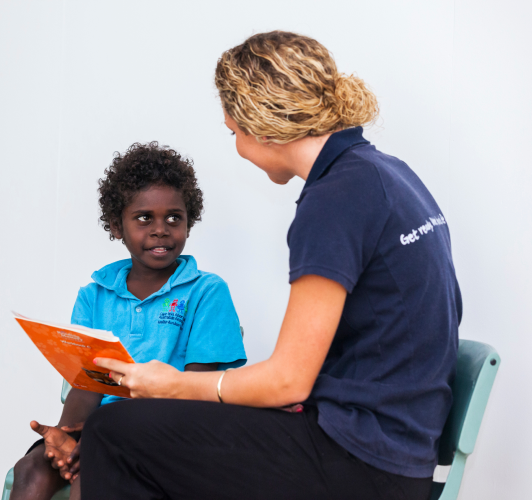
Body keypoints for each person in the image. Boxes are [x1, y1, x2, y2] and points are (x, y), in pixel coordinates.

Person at [84, 31, 462, 500]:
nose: (238, 146)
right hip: (394, 449)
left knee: (111, 431)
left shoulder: (335, 200)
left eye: (233, 132)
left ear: (261, 125)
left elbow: (288, 380)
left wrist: (176, 383)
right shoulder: (386, 172)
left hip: (362, 466)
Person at [10, 142, 247, 500]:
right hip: (98, 430)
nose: (160, 229)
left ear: (188, 221)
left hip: (172, 432)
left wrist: (103, 439)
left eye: (173, 217)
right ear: (116, 225)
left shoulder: (206, 292)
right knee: (30, 469)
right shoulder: (95, 295)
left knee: (95, 474)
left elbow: (194, 393)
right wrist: (65, 436)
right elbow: (87, 385)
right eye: (143, 218)